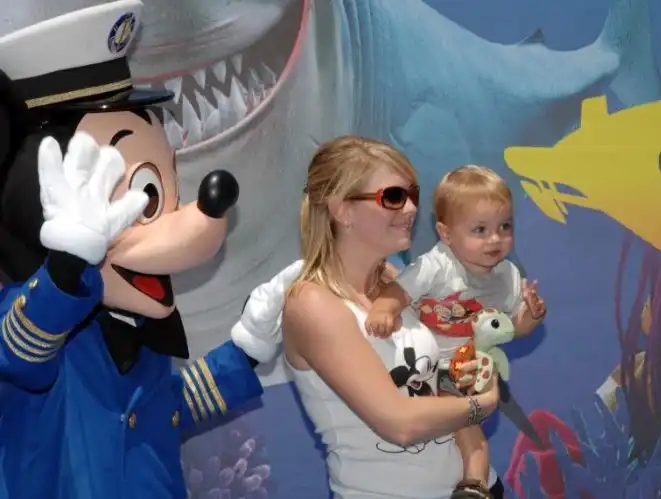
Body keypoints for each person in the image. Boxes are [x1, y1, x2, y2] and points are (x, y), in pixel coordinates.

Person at [0, 2, 262, 497]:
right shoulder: (33, 322)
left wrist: (245, 351)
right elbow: (20, 351)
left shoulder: (136, 328)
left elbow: (167, 410)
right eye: (142, 199)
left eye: (161, 195)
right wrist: (65, 270)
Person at [273, 136, 502, 499]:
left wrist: (474, 480)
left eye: (412, 194)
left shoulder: (397, 282)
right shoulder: (311, 304)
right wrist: (482, 404)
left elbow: (442, 384)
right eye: (393, 197)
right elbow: (400, 424)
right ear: (342, 210)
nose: (410, 208)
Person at [365, 166, 547, 497]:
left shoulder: (507, 276)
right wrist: (383, 309)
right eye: (480, 230)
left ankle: (474, 486)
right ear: (446, 234)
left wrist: (531, 316)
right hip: (421, 368)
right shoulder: (436, 265)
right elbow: (400, 290)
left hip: (467, 371)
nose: (495, 238)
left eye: (505, 227)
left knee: (467, 427)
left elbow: (512, 329)